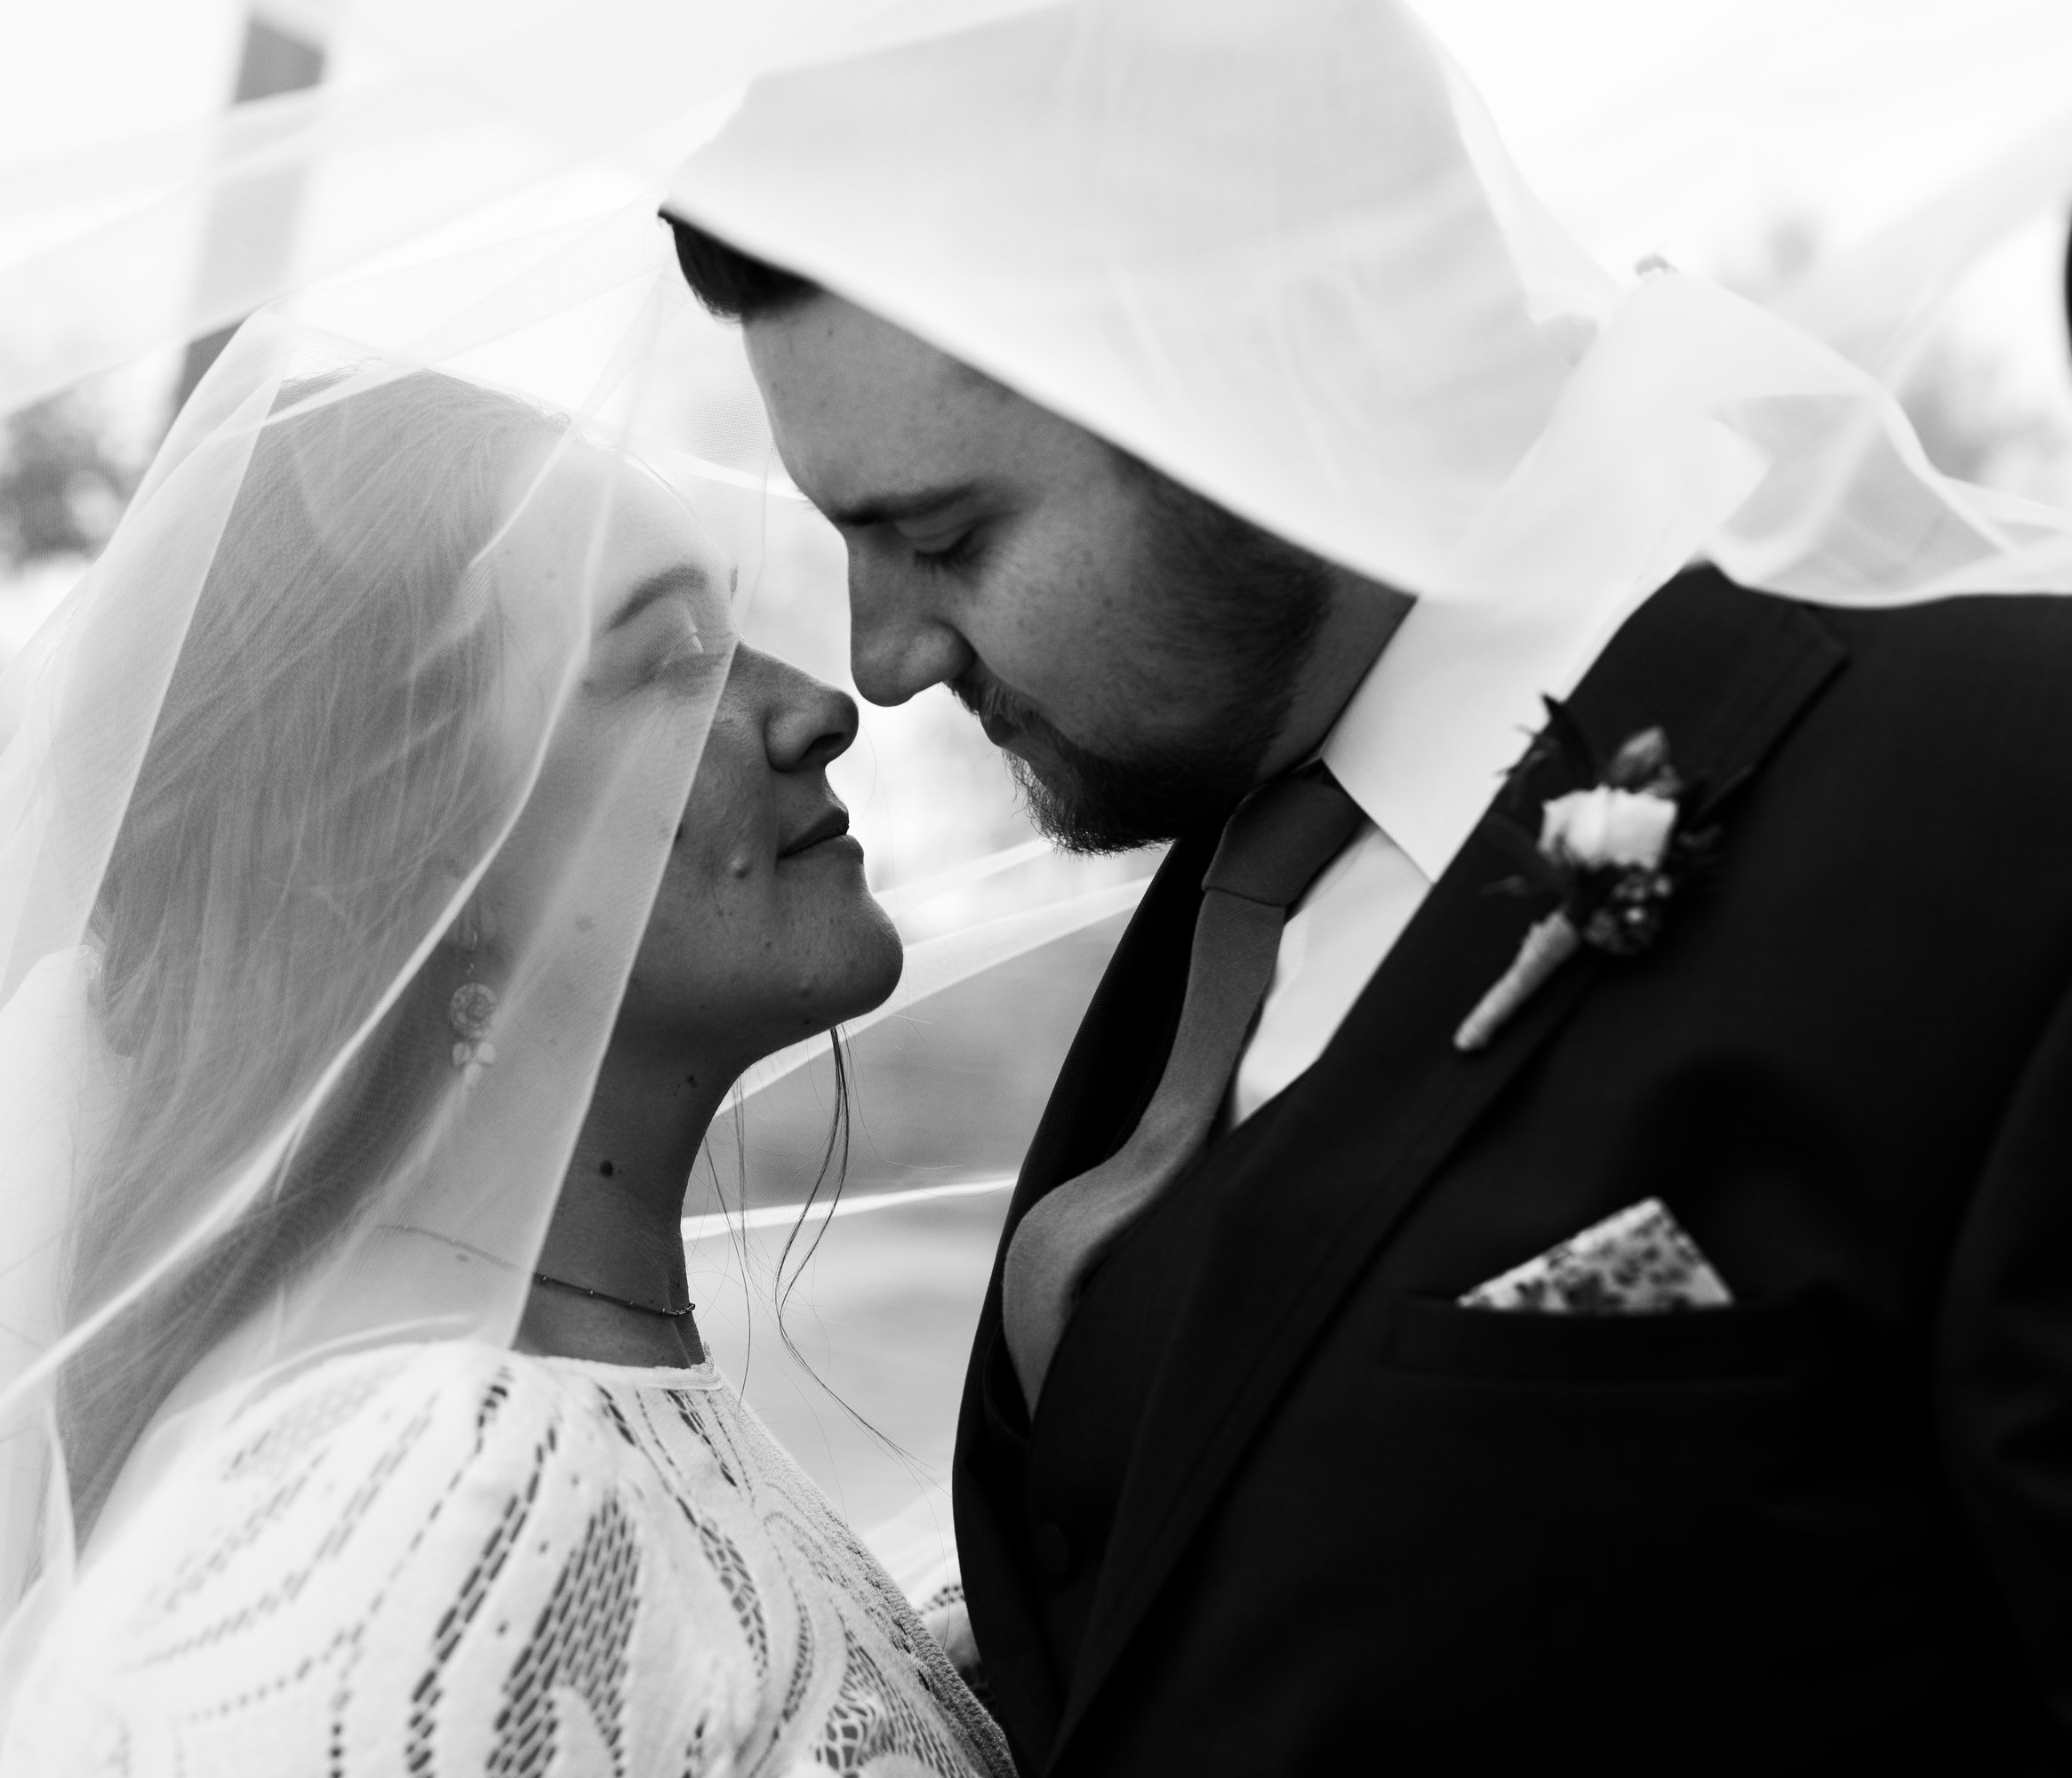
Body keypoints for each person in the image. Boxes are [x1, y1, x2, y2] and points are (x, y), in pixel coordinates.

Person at [660, 0, 2072, 1770]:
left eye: (945, 537)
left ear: (1270, 378)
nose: (876, 660)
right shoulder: (1250, 839)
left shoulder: (2007, 801)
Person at [0, 355, 1011, 1778]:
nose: (819, 707)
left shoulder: (556, 1413)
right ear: (413, 868)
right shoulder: (426, 1520)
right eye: (665, 659)